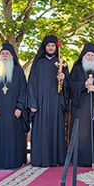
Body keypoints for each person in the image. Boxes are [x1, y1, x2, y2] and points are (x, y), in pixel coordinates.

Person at [27, 35, 69, 167]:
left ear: (56, 47)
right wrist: (32, 103)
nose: (51, 48)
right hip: (40, 103)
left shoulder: (62, 63)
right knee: (41, 131)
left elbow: (68, 86)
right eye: (48, 45)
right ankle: (40, 159)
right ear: (44, 47)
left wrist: (63, 79)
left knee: (56, 130)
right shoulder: (38, 63)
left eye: (53, 46)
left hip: (56, 102)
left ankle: (56, 159)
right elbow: (31, 83)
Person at [67, 43, 94, 167]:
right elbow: (70, 85)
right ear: (83, 56)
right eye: (88, 55)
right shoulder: (76, 69)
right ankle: (79, 160)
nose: (90, 57)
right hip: (80, 109)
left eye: (92, 55)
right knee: (80, 134)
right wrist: (84, 84)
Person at [0, 43, 28, 169]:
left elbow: (23, 91)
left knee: (13, 137)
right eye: (2, 54)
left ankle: (14, 162)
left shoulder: (18, 72)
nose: (5, 56)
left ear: (12, 56)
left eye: (7, 54)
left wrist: (20, 107)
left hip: (13, 112)